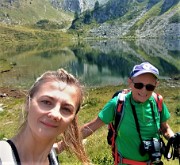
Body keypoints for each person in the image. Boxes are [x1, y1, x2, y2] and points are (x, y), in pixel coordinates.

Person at [55, 62, 176, 165]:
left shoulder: (157, 102)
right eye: (139, 85)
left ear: (156, 85)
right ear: (130, 82)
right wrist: (59, 147)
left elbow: (165, 128)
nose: (144, 91)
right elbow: (90, 128)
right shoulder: (118, 104)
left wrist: (173, 138)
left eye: (149, 87)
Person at [0, 68, 89, 165]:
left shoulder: (52, 158)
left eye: (66, 109)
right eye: (46, 102)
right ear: (28, 103)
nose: (55, 114)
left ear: (72, 119)